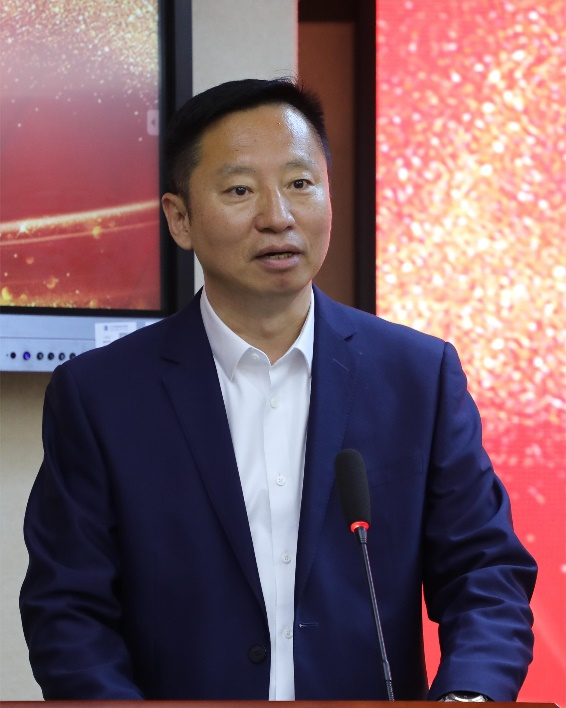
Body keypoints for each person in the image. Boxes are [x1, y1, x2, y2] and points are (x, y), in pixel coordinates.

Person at [20, 78, 537, 702]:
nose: (278, 216)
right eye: (240, 190)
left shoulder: (418, 376)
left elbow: (485, 574)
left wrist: (469, 697)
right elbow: (68, 610)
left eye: (300, 183)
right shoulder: (102, 395)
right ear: (180, 219)